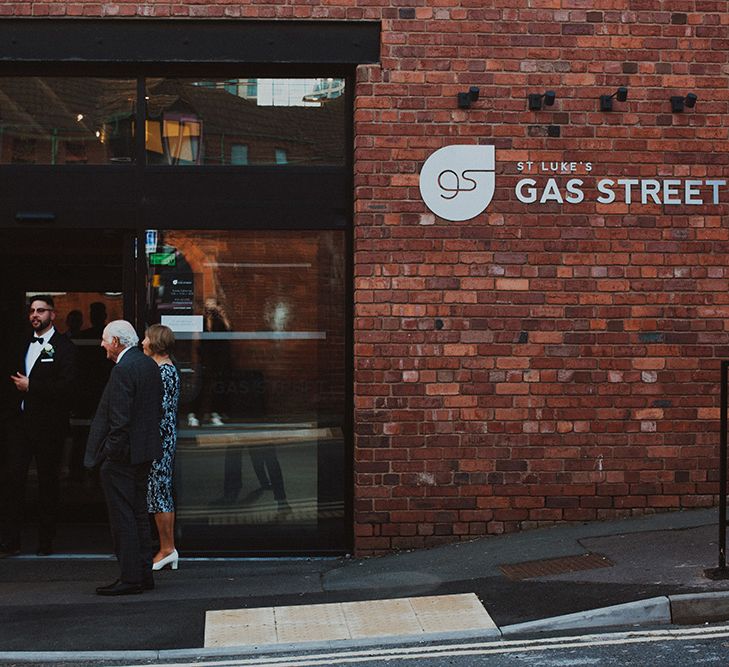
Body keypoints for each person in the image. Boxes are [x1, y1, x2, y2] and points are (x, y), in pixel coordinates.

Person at [84, 320, 162, 596]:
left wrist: (109, 455)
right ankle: (143, 574)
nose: (102, 345)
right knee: (139, 513)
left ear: (116, 342)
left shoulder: (123, 370)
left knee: (123, 518)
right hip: (143, 453)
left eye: (105, 340)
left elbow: (119, 421)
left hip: (123, 457)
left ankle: (130, 577)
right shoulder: (148, 365)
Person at [0, 295, 77, 558]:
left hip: (48, 427)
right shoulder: (21, 343)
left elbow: (68, 388)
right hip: (20, 426)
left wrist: (33, 387)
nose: (35, 315)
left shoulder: (65, 347)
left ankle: (46, 540)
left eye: (41, 311)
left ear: (52, 315)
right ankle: (11, 540)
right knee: (13, 482)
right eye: (32, 311)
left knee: (47, 484)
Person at [142, 324, 180, 570]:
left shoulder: (164, 371)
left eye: (145, 338)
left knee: (160, 494)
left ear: (155, 342)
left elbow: (160, 410)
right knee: (157, 493)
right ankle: (166, 548)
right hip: (160, 437)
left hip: (160, 439)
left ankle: (168, 548)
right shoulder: (162, 368)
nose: (142, 342)